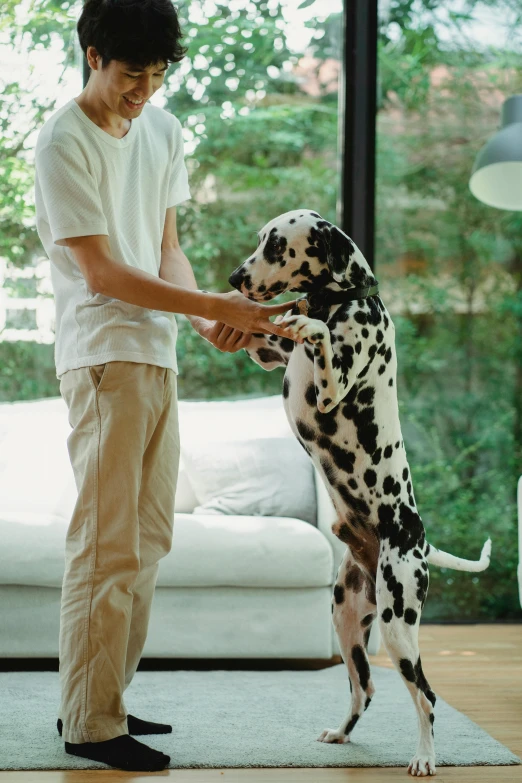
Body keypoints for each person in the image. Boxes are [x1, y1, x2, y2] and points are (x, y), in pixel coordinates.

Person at [34, 0, 301, 772]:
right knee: (106, 543)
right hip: (102, 357)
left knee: (148, 539)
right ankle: (88, 723)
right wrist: (213, 304)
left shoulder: (162, 127)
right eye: (129, 74)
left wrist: (206, 321)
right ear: (92, 57)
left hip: (155, 353)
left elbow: (164, 247)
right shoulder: (62, 142)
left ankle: (102, 696)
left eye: (156, 74)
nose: (143, 89)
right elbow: (104, 271)